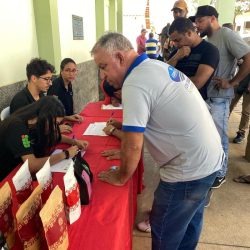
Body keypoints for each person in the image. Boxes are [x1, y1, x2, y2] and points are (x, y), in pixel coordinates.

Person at [91, 32, 224, 249]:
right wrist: (124, 146)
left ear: (120, 58)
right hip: (208, 162)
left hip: (187, 172)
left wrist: (121, 176)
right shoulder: (154, 66)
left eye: (104, 66)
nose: (103, 76)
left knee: (165, 233)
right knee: (189, 223)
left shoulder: (135, 82)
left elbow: (133, 143)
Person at [195, 5, 250, 188]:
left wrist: (232, 82)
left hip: (219, 97)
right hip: (207, 96)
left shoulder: (226, 34)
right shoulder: (208, 38)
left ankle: (220, 173)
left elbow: (248, 58)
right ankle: (211, 168)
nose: (197, 25)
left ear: (212, 18)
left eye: (200, 21)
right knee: (209, 136)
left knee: (219, 137)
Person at [0, 96, 88, 181]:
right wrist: (65, 154)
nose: (54, 128)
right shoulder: (17, 127)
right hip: (8, 174)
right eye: (54, 123)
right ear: (44, 116)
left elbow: (55, 136)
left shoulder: (35, 121)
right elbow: (32, 165)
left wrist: (74, 141)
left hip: (21, 167)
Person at [9, 58, 73, 134]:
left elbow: (45, 119)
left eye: (50, 79)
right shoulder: (20, 101)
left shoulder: (41, 95)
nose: (50, 83)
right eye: (47, 79)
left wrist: (66, 118)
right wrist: (55, 129)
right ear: (34, 78)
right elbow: (25, 136)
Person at [168, 17, 219, 100]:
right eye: (173, 41)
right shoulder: (176, 52)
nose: (176, 44)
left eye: (178, 40)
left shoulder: (209, 50)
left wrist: (170, 83)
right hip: (174, 101)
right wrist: (175, 58)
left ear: (189, 33)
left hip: (195, 104)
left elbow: (197, 82)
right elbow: (163, 75)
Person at [47, 58, 83, 123]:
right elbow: (51, 115)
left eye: (74, 70)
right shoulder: (55, 87)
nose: (71, 74)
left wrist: (73, 116)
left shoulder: (69, 83)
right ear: (61, 71)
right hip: (58, 125)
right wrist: (68, 118)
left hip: (68, 120)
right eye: (67, 70)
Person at [230, 74, 250, 143]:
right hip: (239, 81)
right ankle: (220, 127)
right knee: (229, 105)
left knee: (246, 111)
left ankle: (241, 133)